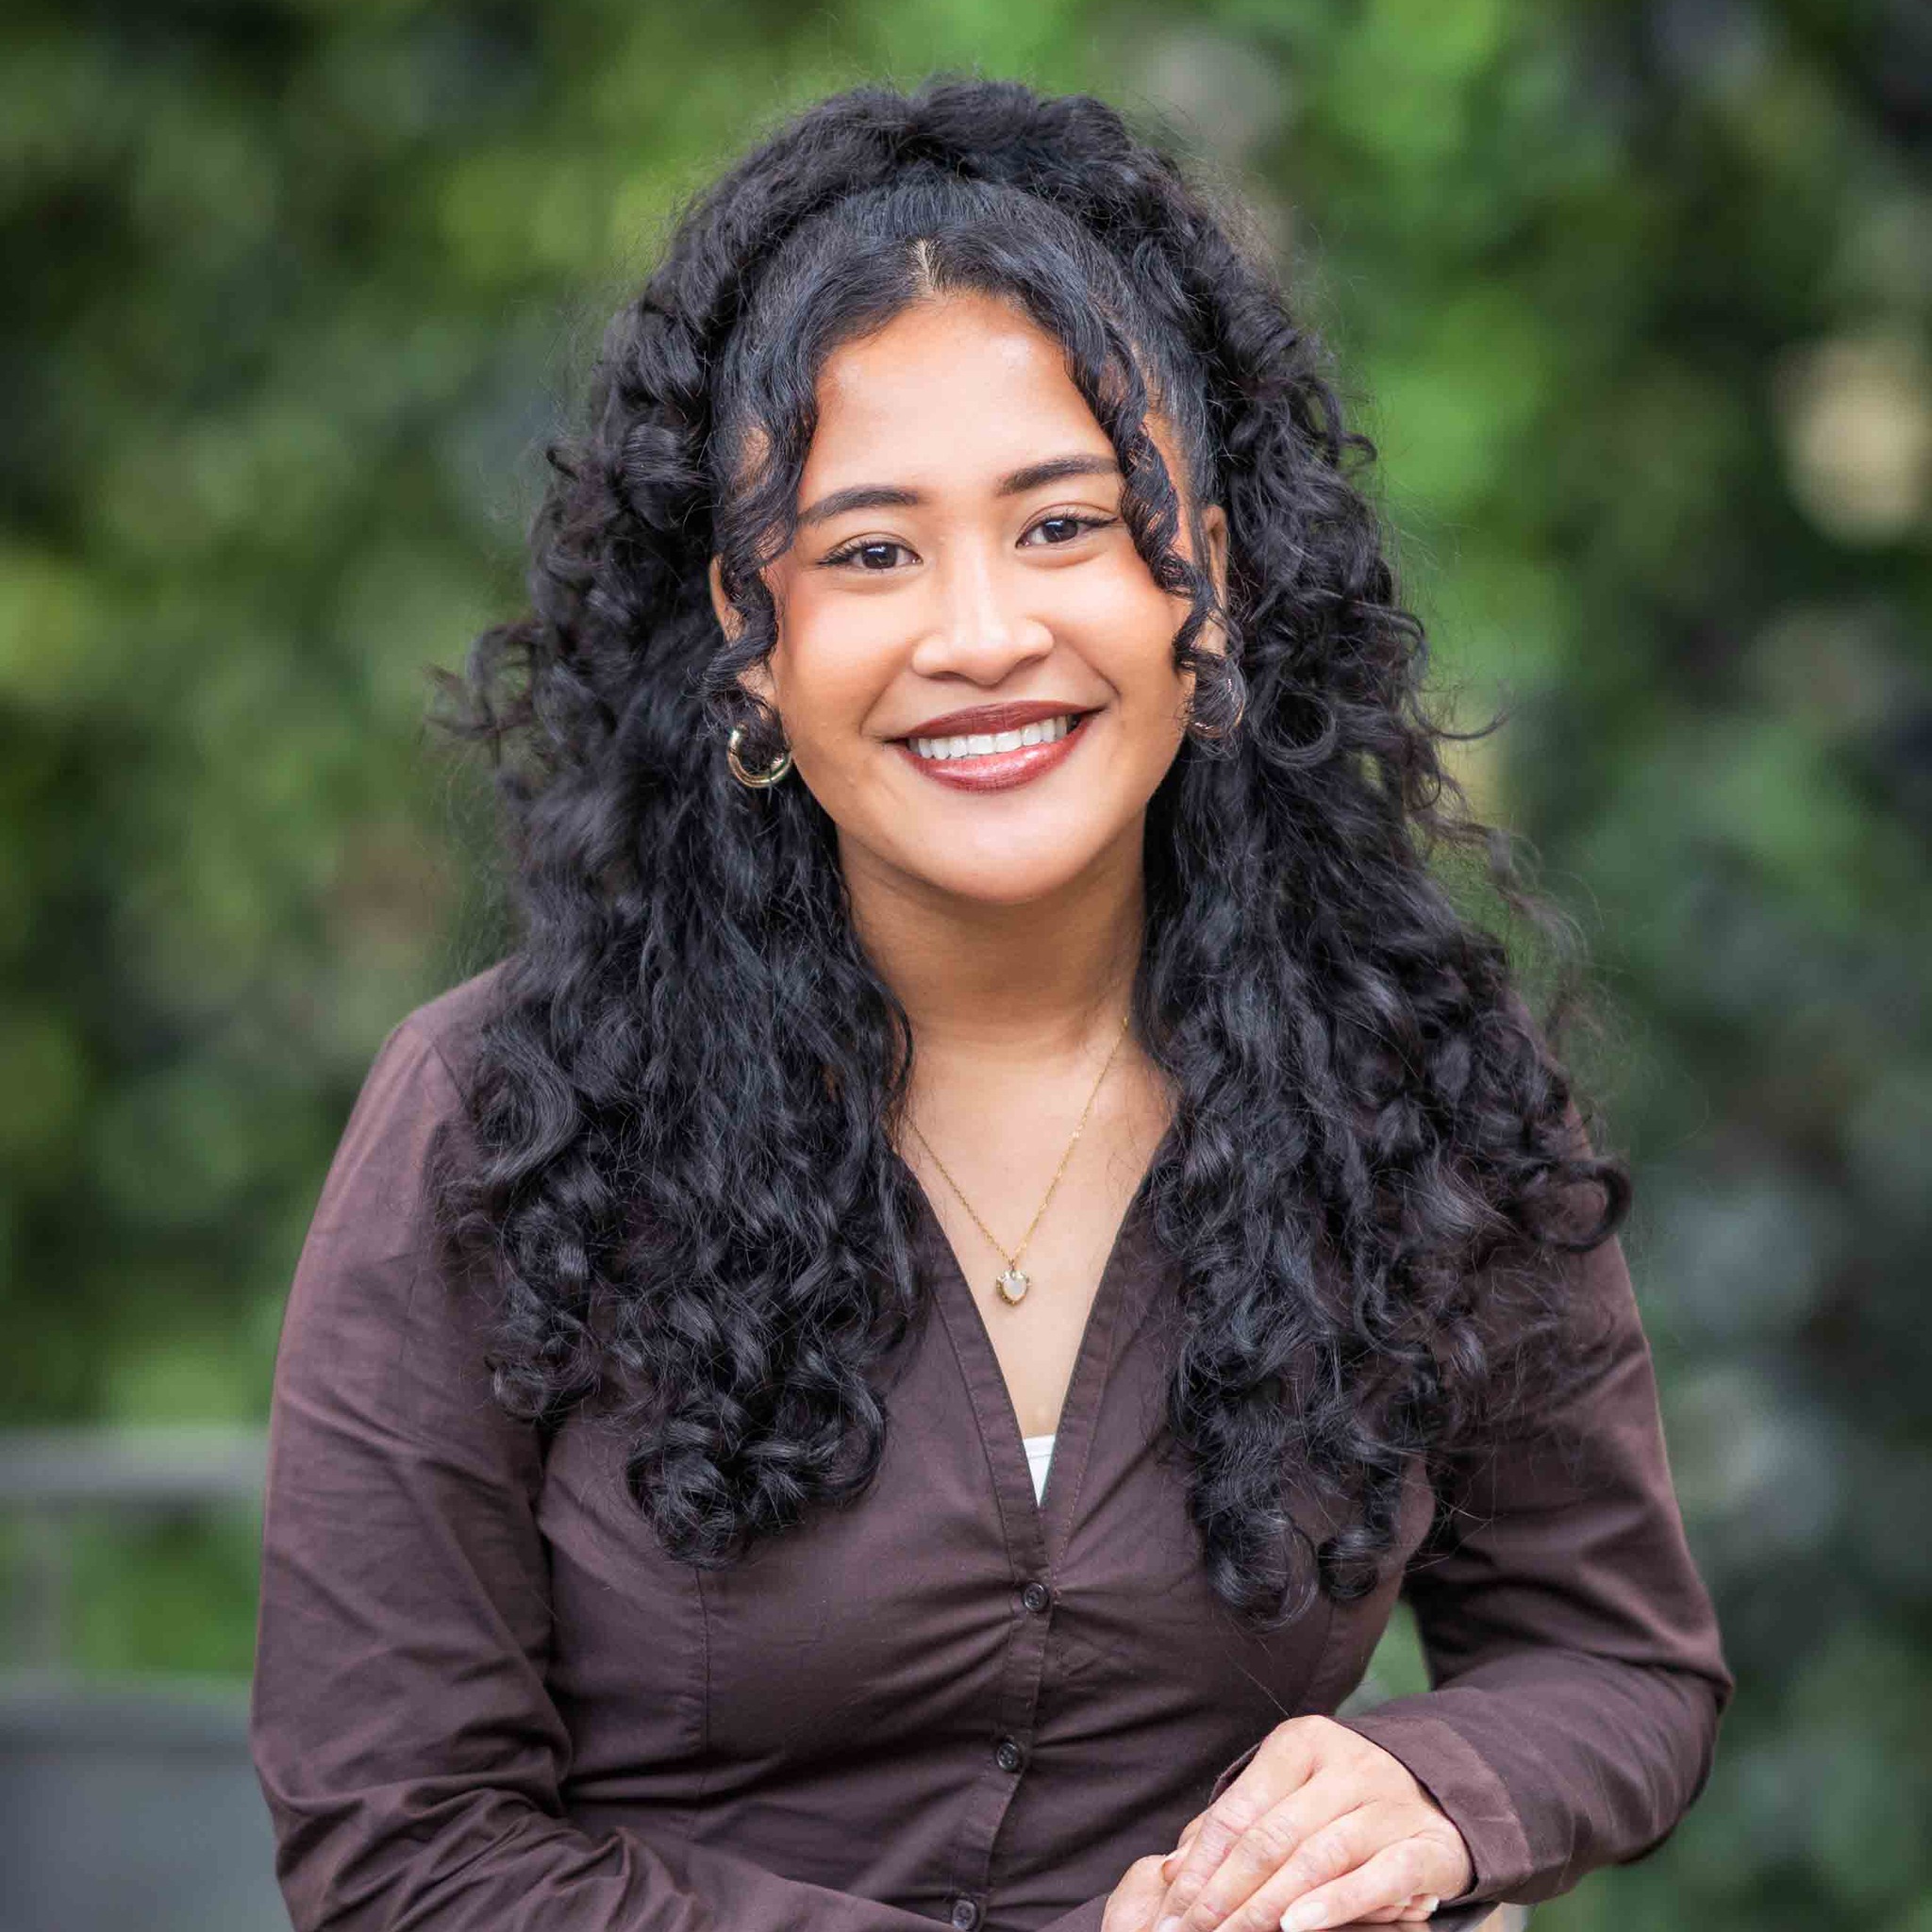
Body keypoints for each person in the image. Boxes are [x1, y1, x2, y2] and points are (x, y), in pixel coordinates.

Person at [248, 75, 1734, 1932]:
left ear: (1214, 580)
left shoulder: (1409, 1075)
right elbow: (404, 1857)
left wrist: (1430, 1789)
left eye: (1067, 525)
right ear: (747, 637)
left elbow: (1617, 1657)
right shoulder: (499, 1114)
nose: (980, 631)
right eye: (872, 550)